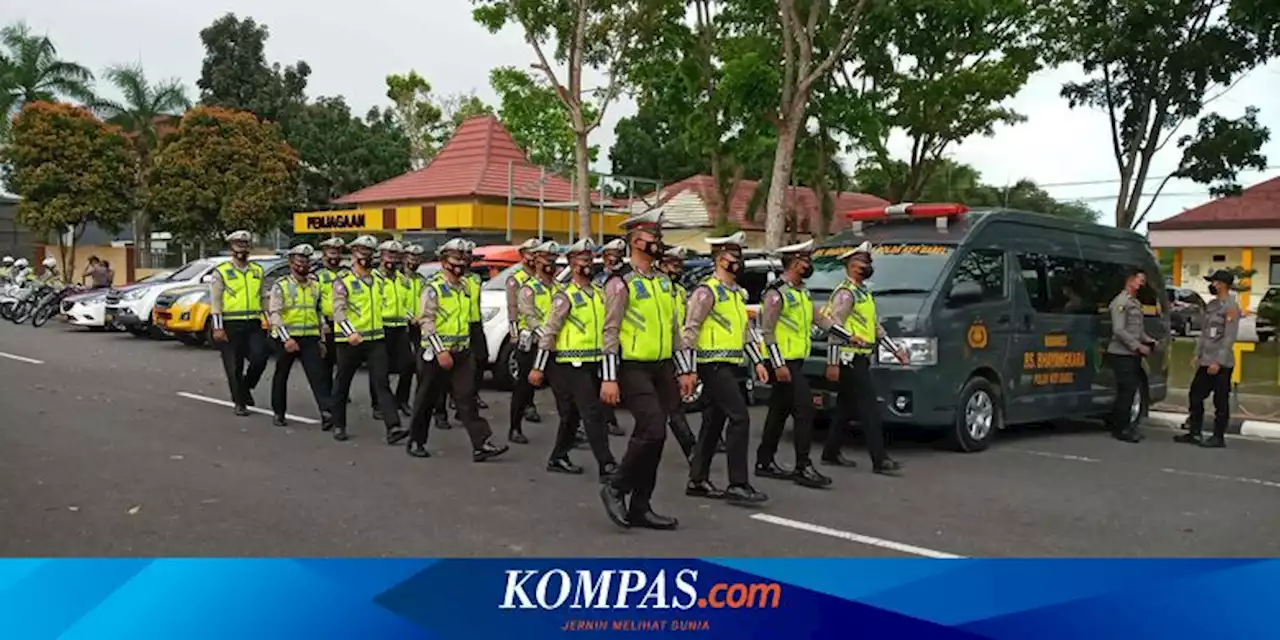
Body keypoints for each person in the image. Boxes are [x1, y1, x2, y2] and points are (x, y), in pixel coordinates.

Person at [598, 209, 682, 531]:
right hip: (633, 366)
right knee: (653, 428)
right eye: (652, 237)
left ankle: (641, 506)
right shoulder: (621, 282)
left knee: (654, 438)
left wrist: (684, 369)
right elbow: (610, 331)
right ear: (635, 241)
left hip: (661, 366)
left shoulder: (663, 282)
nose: (658, 243)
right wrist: (608, 377)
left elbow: (675, 328)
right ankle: (616, 486)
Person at [677, 232, 769, 505]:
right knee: (739, 417)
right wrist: (687, 368)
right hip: (712, 364)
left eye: (740, 256)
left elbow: (745, 332)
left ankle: (697, 479)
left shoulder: (736, 294)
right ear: (719, 259)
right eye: (732, 257)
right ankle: (738, 483)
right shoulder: (707, 292)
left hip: (731, 363)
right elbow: (690, 330)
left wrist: (759, 360)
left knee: (714, 421)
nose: (737, 262)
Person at [406, 238, 509, 461]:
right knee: (426, 399)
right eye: (456, 259)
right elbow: (426, 321)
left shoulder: (464, 288)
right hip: (436, 353)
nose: (461, 264)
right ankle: (416, 440)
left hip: (462, 352)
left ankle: (481, 443)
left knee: (467, 398)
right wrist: (441, 350)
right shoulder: (433, 289)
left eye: (464, 259)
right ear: (444, 262)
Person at [530, 237, 618, 478]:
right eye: (582, 260)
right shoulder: (565, 296)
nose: (588, 264)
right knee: (592, 413)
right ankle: (607, 463)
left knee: (571, 415)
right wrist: (538, 368)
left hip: (595, 363)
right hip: (571, 364)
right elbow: (549, 333)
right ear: (571, 262)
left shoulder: (599, 294)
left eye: (590, 259)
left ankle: (558, 456)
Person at [819, 242, 910, 474]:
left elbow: (875, 327)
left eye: (869, 263)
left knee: (845, 407)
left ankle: (830, 452)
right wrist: (832, 361)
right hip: (848, 357)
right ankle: (880, 459)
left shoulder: (863, 293)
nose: (867, 267)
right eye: (862, 263)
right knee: (869, 408)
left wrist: (895, 349)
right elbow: (834, 327)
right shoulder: (845, 293)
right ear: (850, 265)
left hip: (861, 356)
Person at [754, 240, 831, 489]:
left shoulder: (802, 291)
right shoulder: (776, 293)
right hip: (782, 362)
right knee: (805, 409)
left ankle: (764, 461)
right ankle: (803, 466)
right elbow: (767, 331)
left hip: (795, 360)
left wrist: (847, 336)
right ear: (794, 263)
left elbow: (819, 319)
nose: (808, 265)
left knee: (778, 411)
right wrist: (778, 364)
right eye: (804, 261)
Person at [330, 235, 408, 444]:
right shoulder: (343, 281)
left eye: (369, 252)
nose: (365, 256)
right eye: (361, 252)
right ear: (353, 254)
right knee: (343, 382)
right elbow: (338, 312)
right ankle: (338, 424)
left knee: (382, 382)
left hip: (375, 339)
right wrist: (350, 332)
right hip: (350, 341)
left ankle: (393, 426)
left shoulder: (378, 280)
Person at [266, 244, 333, 429]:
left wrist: (322, 337)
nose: (303, 265)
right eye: (299, 262)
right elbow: (275, 315)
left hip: (310, 337)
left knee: (318, 376)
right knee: (281, 375)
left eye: (306, 261)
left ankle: (327, 413)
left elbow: (317, 311)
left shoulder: (315, 285)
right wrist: (286, 339)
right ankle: (278, 412)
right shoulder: (282, 285)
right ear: (291, 263)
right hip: (287, 337)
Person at [1177, 269, 1240, 448]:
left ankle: (1218, 437)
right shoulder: (1212, 305)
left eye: (1214, 282)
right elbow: (1204, 333)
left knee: (1220, 400)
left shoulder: (1231, 307)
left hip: (1221, 363)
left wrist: (1218, 362)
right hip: (1206, 360)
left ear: (1223, 284)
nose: (1212, 285)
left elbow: (1229, 337)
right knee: (1195, 395)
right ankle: (1194, 432)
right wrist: (1197, 354)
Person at [210, 230, 270, 416]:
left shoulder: (257, 270)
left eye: (245, 245)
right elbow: (216, 301)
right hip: (230, 323)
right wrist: (218, 326)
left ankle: (245, 387)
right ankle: (240, 402)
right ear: (231, 248)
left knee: (261, 357)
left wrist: (271, 319)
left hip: (253, 322)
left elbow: (263, 297)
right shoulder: (222, 272)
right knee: (234, 365)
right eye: (238, 245)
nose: (242, 249)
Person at [511, 240, 560, 444]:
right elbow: (528, 316)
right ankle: (514, 428)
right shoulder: (527, 288)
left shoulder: (559, 287)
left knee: (563, 390)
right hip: (531, 344)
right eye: (546, 260)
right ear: (537, 262)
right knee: (524, 389)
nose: (551, 264)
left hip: (554, 346)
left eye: (553, 260)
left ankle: (570, 430)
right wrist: (545, 335)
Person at [1106, 267, 1156, 443]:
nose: (1141, 284)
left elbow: (1138, 330)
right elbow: (1118, 330)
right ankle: (1121, 428)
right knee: (1126, 391)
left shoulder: (1135, 302)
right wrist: (1137, 346)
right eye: (1139, 280)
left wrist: (1149, 341)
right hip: (1121, 353)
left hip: (1132, 354)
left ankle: (1126, 426)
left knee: (1130, 390)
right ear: (1130, 280)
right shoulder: (1121, 302)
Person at [657, 245, 697, 460]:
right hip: (653, 354)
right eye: (673, 265)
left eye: (680, 265)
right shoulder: (656, 289)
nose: (677, 270)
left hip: (676, 352)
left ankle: (691, 449)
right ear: (662, 265)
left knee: (673, 406)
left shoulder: (680, 291)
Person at [370, 240, 411, 421]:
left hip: (400, 327)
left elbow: (407, 303)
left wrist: (411, 316)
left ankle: (402, 400)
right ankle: (378, 404)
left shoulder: (403, 280)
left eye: (396, 256)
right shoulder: (373, 278)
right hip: (381, 327)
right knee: (380, 368)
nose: (392, 260)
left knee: (408, 365)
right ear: (381, 256)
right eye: (389, 255)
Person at [505, 238, 544, 426]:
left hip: (545, 337)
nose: (534, 257)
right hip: (526, 334)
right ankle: (517, 422)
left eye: (537, 253)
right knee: (524, 380)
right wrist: (514, 333)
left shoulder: (543, 278)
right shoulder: (516, 279)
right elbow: (512, 308)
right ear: (522, 255)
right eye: (530, 253)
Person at [594, 238, 628, 437]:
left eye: (615, 256)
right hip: (601, 335)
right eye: (608, 256)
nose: (611, 260)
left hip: (620, 334)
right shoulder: (599, 279)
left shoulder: (624, 278)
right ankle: (607, 419)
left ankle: (608, 418)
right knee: (603, 378)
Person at [397, 244, 428, 415]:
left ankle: (414, 401)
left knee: (420, 365)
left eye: (417, 258)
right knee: (406, 364)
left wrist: (421, 317)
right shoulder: (398, 279)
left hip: (419, 325)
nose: (414, 261)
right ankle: (400, 400)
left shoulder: (421, 279)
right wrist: (410, 316)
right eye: (411, 257)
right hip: (403, 324)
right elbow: (398, 302)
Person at [316, 237, 349, 401]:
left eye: (337, 252)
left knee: (343, 361)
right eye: (331, 252)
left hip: (344, 322)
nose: (335, 255)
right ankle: (328, 393)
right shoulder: (317, 275)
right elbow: (315, 302)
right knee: (326, 361)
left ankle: (340, 390)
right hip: (326, 322)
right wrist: (321, 323)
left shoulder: (347, 273)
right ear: (324, 253)